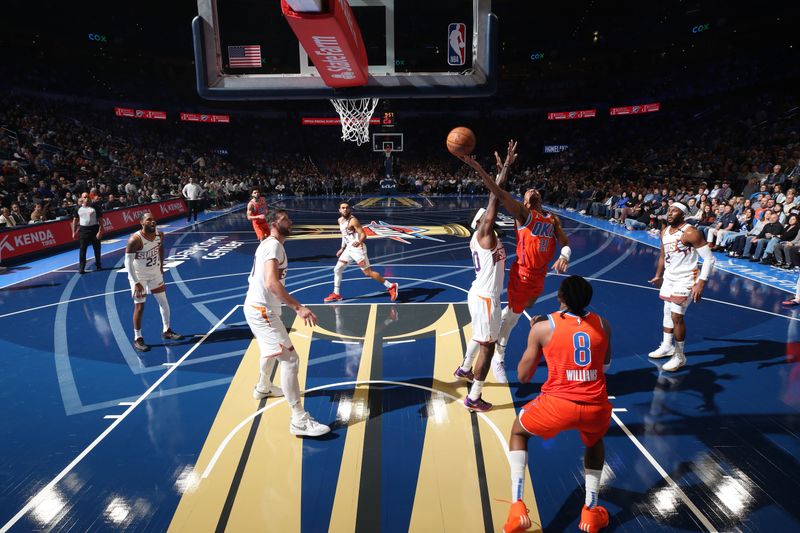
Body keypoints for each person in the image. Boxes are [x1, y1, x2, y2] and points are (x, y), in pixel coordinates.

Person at [503, 276, 612, 533]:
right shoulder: (603, 325)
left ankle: (517, 506)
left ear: (560, 297)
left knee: (518, 432)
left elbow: (522, 376)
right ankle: (591, 512)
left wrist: (537, 340)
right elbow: (605, 366)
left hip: (557, 405)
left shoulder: (543, 327)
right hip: (595, 405)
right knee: (594, 442)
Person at [469, 156, 571, 383]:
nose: (532, 190)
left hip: (540, 274)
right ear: (524, 202)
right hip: (522, 273)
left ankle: (495, 327)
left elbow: (564, 242)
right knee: (514, 317)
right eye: (527, 191)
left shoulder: (552, 219)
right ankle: (499, 356)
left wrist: (564, 256)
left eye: (535, 189)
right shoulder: (524, 215)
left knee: (522, 309)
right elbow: (498, 192)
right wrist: (489, 168)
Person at [244, 208, 331, 437]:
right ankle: (299, 420)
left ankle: (263, 387)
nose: (290, 222)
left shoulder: (269, 244)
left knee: (269, 352)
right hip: (261, 309)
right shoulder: (273, 245)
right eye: (285, 219)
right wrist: (298, 307)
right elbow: (272, 283)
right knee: (290, 359)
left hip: (259, 308)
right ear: (273, 223)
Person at [453, 140, 517, 411]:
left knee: (480, 337)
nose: (490, 217)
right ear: (480, 224)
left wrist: (504, 170)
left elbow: (496, 195)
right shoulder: (485, 235)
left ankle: (465, 369)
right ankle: (474, 396)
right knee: (488, 347)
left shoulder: (484, 238)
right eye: (486, 218)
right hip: (486, 298)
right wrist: (480, 167)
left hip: (480, 295)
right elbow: (494, 197)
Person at [648, 203, 716, 371]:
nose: (669, 213)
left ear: (683, 214)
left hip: (686, 279)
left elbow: (709, 259)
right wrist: (659, 275)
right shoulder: (664, 231)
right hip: (670, 278)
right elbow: (663, 256)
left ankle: (680, 356)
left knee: (676, 316)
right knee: (666, 312)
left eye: (674, 210)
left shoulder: (690, 232)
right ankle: (666, 346)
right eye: (669, 210)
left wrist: (701, 282)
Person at [124, 212, 183, 352]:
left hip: (155, 273)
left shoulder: (159, 235)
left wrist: (161, 266)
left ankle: (166, 330)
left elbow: (160, 248)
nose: (153, 221)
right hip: (139, 276)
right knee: (140, 306)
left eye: (153, 219)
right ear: (142, 223)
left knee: (164, 301)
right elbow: (128, 262)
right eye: (149, 219)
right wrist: (135, 281)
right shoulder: (135, 240)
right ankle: (137, 338)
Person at [323, 202, 399, 303]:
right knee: (337, 269)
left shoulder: (353, 221)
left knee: (368, 273)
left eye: (347, 208)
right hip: (348, 249)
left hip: (358, 249)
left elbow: (363, 235)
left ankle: (391, 286)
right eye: (343, 208)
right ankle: (336, 294)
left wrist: (359, 241)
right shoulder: (340, 220)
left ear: (349, 209)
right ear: (339, 210)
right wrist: (342, 248)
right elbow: (344, 235)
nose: (345, 209)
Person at [71, 192, 104, 274]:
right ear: (81, 198)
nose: (86, 199)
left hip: (94, 229)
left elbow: (100, 221)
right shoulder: (77, 208)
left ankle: (98, 265)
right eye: (85, 197)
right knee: (82, 250)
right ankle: (81, 268)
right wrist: (74, 232)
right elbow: (75, 221)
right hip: (83, 230)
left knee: (97, 249)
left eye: (88, 197)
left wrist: (100, 231)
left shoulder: (95, 207)